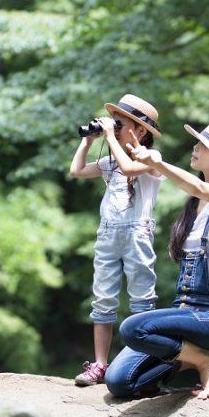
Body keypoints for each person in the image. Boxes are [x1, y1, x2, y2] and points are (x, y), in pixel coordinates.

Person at [105, 116, 209, 399]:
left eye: (202, 145)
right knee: (119, 381)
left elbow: (200, 188)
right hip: (184, 313)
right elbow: (196, 191)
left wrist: (156, 163)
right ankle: (189, 358)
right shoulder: (192, 204)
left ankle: (207, 360)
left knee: (132, 328)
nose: (195, 148)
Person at [69, 94, 164, 386]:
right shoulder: (111, 160)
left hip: (137, 233)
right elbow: (77, 170)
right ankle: (99, 364)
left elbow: (131, 168)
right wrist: (88, 141)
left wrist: (110, 136)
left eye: (123, 123)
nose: (117, 127)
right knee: (103, 299)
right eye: (117, 123)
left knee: (141, 298)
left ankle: (140, 360)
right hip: (108, 233)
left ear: (142, 131)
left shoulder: (152, 158)